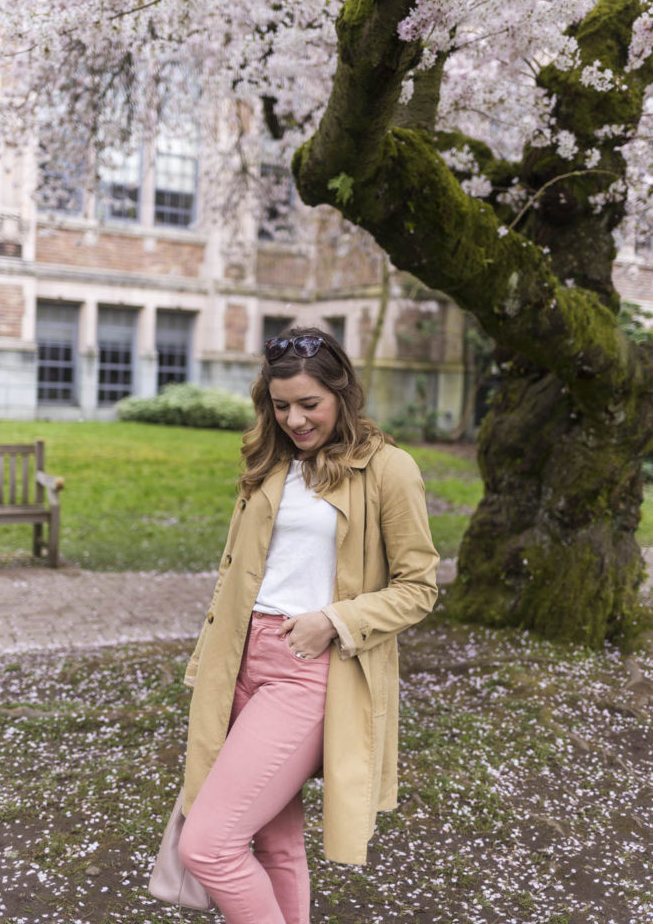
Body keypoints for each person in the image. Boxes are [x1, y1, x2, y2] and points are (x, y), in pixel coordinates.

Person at [178, 325, 439, 924]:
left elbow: (418, 588)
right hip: (238, 662)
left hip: (306, 671)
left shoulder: (389, 470)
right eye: (280, 405)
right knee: (273, 842)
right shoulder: (270, 465)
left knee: (208, 846)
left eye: (309, 404)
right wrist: (210, 665)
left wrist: (335, 619)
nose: (294, 419)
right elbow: (236, 573)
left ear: (342, 395)